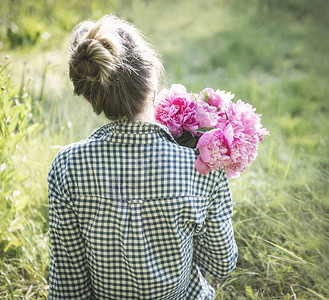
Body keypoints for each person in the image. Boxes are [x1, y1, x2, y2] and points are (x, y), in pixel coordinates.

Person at [47, 14, 238, 299]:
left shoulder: (67, 167)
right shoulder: (200, 167)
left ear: (89, 95)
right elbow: (221, 264)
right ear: (152, 73)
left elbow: (68, 285)